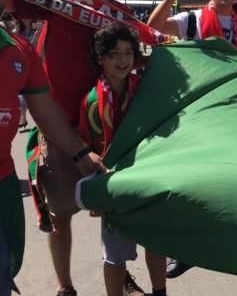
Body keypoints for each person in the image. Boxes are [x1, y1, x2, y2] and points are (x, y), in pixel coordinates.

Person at [6, 0, 138, 296]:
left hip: (110, 129)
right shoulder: (58, 1)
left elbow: (145, 50)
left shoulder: (120, 15)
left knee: (114, 212)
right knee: (60, 213)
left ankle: (120, 276)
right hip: (60, 128)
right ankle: (65, 287)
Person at [0, 0, 106, 296]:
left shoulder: (19, 50)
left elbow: (45, 110)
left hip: (2, 179)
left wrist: (80, 153)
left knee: (5, 267)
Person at [78, 23, 167, 296]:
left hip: (147, 177)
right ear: (100, 58)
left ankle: (159, 291)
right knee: (115, 254)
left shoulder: (145, 90)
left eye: (128, 53)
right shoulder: (92, 101)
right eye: (114, 54)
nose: (122, 60)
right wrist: (95, 192)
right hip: (113, 184)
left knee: (156, 242)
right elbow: (87, 150)